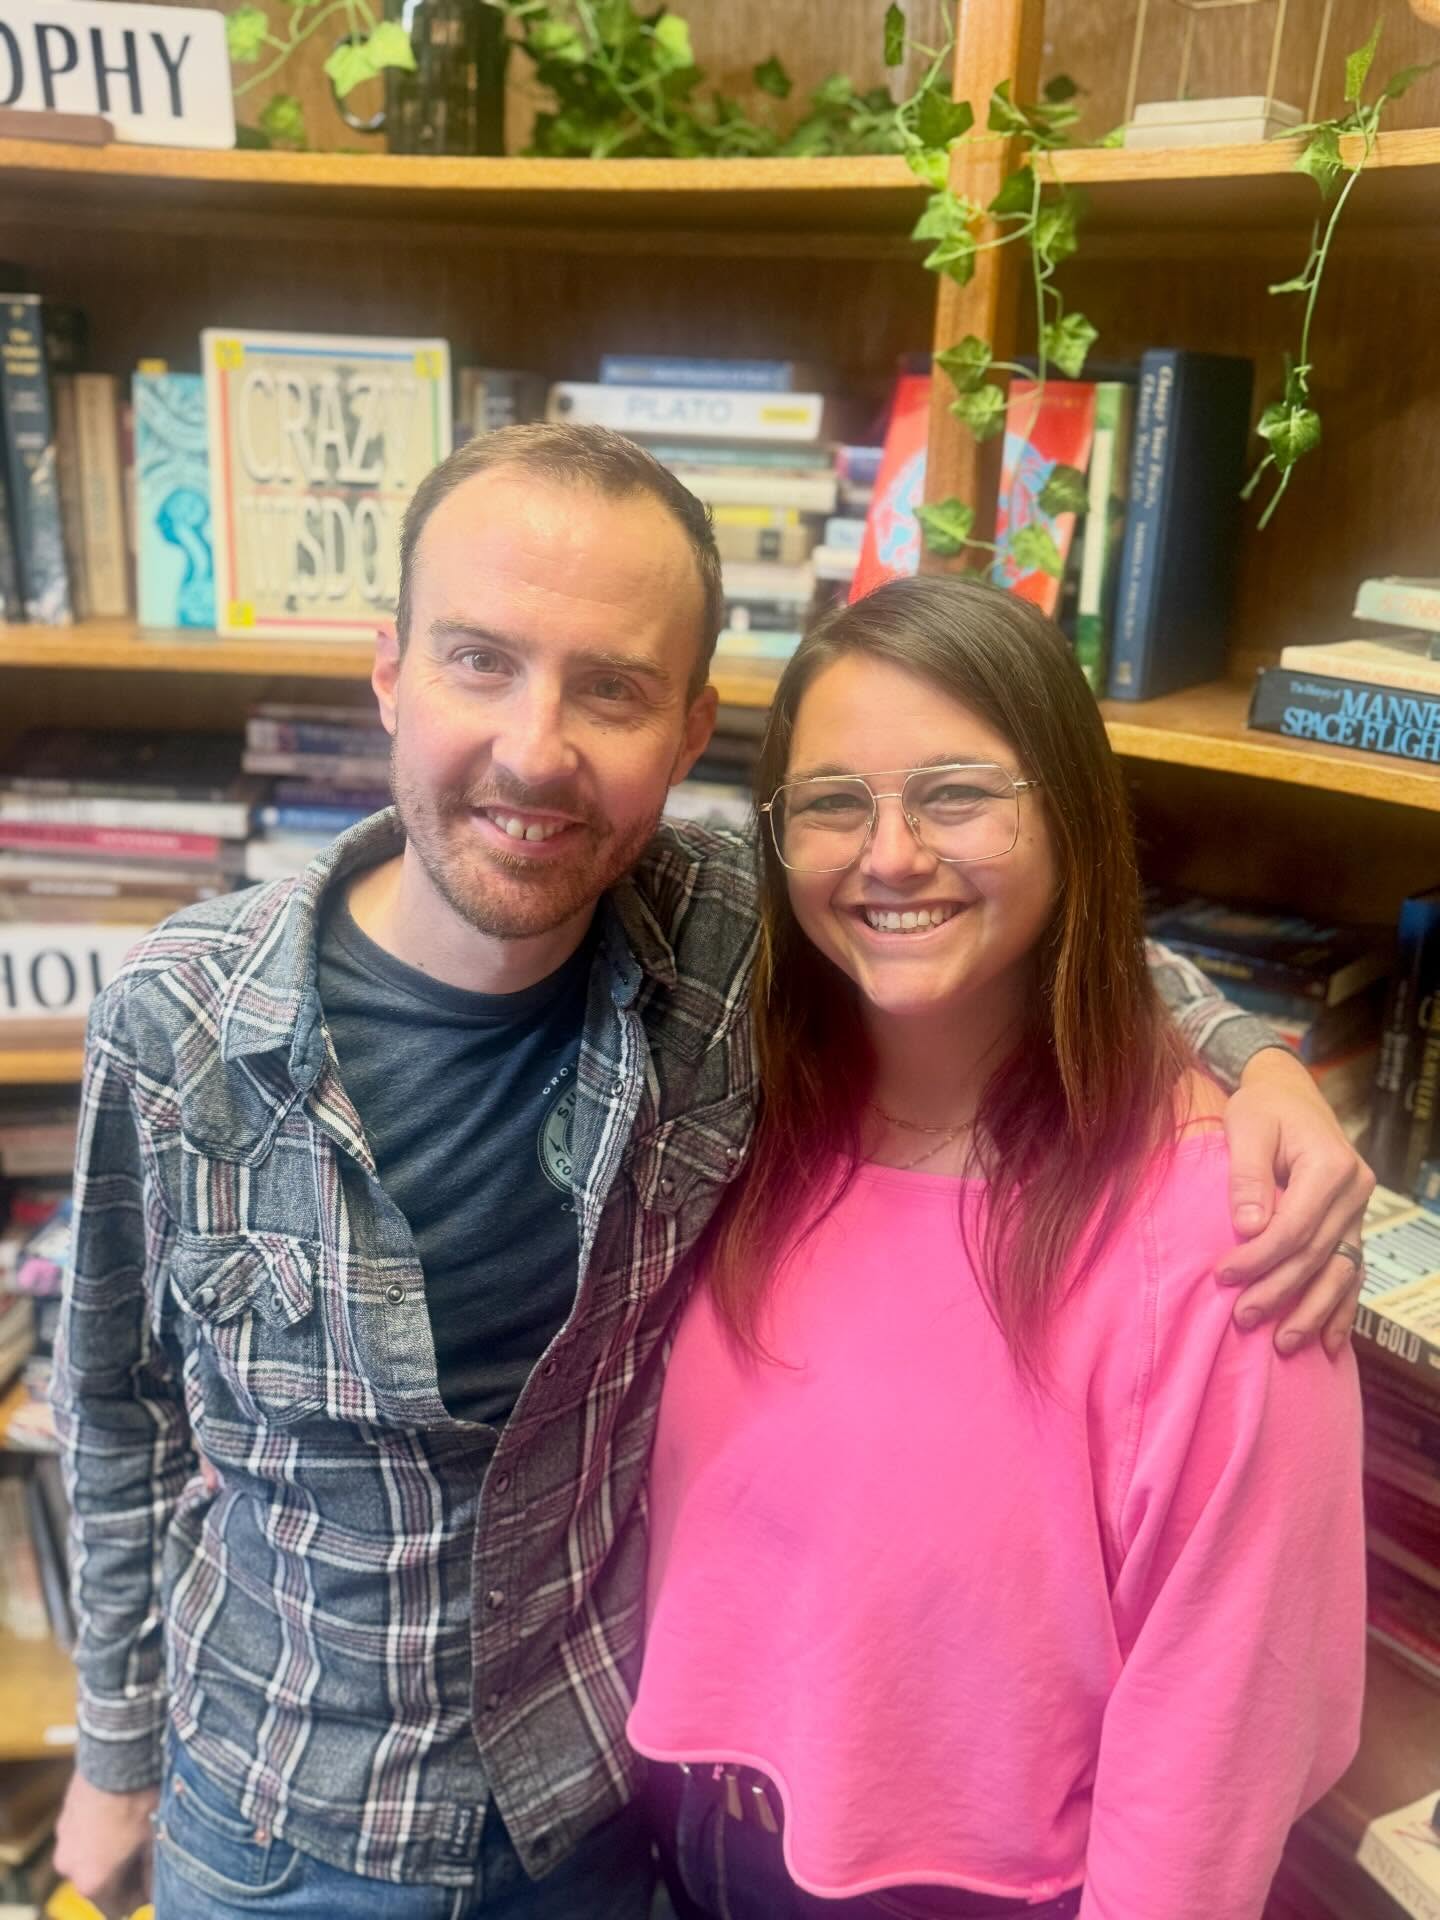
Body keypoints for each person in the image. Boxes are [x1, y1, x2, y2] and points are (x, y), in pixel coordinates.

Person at [52, 426, 1372, 1920]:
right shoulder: (181, 1022)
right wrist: (114, 1759)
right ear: (389, 673)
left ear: (689, 737)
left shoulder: (720, 942)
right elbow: (112, 1409)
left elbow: (1007, 915)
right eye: (479, 660)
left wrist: (1260, 1059)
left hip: (595, 1825)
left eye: (609, 688)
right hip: (281, 1821)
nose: (536, 748)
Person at [629, 576, 1367, 1920]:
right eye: (836, 803)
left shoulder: (1224, 1225)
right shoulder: (735, 1111)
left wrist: (1260, 1060)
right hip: (687, 1840)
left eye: (959, 792)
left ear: (1070, 814)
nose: (892, 853)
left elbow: (1223, 1729)